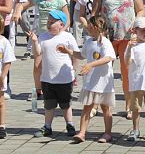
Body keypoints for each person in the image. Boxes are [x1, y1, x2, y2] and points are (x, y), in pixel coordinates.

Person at [91, 0, 144, 119]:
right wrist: (96, 30)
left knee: (127, 72)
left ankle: (129, 106)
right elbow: (95, 13)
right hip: (107, 37)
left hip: (128, 36)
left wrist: (137, 24)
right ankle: (95, 105)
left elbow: (140, 10)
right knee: (102, 71)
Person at [59, 16, 116, 144]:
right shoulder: (89, 42)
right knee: (87, 107)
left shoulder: (105, 42)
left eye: (89, 26)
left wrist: (91, 65)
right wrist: (68, 51)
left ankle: (108, 133)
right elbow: (81, 55)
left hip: (103, 82)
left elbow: (109, 58)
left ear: (96, 28)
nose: (87, 28)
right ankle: (82, 132)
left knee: (105, 108)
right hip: (91, 81)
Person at [27, 10, 78, 138]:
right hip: (47, 78)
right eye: (48, 22)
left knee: (66, 104)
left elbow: (75, 54)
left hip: (64, 78)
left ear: (61, 24)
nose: (49, 24)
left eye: (52, 22)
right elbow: (37, 53)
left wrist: (74, 70)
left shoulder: (67, 37)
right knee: (49, 105)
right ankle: (47, 126)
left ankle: (70, 125)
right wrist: (34, 41)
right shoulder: (43, 37)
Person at [0, 14, 15, 139]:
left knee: (0, 102)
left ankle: (2, 126)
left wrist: (2, 76)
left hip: (0, 78)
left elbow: (7, 62)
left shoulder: (4, 42)